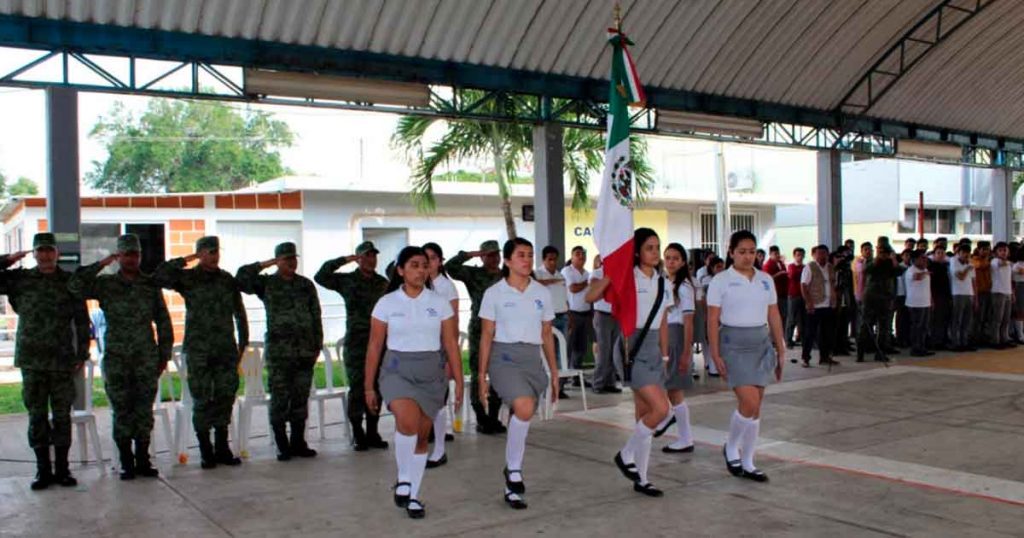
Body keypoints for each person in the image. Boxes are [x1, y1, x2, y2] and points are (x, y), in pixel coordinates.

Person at [363, 246, 463, 519]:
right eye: (414, 265)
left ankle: (414, 494)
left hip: (431, 373)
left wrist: (459, 380)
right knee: (406, 421)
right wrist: (369, 386)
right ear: (400, 271)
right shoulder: (387, 303)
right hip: (397, 370)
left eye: (424, 265)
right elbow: (374, 347)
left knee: (421, 436)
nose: (420, 270)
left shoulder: (439, 302)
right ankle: (403, 477)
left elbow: (451, 344)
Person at [68, 234, 173, 479]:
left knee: (143, 411)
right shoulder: (106, 284)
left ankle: (143, 459)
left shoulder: (150, 285)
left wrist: (163, 354)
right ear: (119, 256)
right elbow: (75, 286)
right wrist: (101, 264)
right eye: (126, 254)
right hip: (116, 358)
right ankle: (126, 460)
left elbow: (164, 321)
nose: (131, 259)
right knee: (122, 410)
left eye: (135, 254)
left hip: (145, 357)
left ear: (140, 256)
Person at [0, 234, 90, 489]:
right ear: (34, 253)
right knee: (37, 415)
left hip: (62, 359)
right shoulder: (21, 280)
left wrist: (82, 352)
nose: (46, 256)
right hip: (32, 359)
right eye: (41, 251)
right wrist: (6, 260)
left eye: (50, 250)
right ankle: (42, 471)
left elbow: (82, 320)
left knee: (62, 415)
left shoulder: (69, 281)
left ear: (57, 253)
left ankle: (62, 469)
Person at [478, 238, 558, 509]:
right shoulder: (494, 293)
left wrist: (555, 372)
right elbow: (486, 335)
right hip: (504, 357)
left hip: (532, 361)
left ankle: (511, 484)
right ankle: (514, 470)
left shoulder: (541, 293)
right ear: (508, 261)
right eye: (521, 255)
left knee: (522, 413)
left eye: (529, 255)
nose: (526, 260)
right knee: (523, 407)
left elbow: (547, 334)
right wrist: (481, 376)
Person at [591, 228, 672, 497]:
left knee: (644, 416)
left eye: (657, 247)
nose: (655, 252)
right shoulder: (626, 277)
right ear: (637, 251)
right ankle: (626, 455)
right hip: (629, 347)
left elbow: (661, 322)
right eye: (649, 247)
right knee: (661, 410)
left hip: (651, 350)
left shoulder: (663, 282)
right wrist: (611, 275)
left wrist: (664, 355)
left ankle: (643, 478)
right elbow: (590, 297)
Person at [154, 236, 247, 469]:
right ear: (200, 254)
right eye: (209, 252)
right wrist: (188, 259)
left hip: (225, 349)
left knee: (226, 395)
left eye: (216, 252)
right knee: (203, 398)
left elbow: (239, 312)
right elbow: (160, 276)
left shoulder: (227, 280)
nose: (214, 256)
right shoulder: (188, 278)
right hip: (199, 351)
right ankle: (206, 450)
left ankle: (222, 448)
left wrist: (242, 343)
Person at [707, 230, 785, 483]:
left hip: (760, 342)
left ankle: (749, 460)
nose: (747, 256)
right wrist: (715, 353)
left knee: (756, 406)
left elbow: (773, 314)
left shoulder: (765, 280)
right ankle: (731, 447)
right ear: (731, 253)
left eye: (752, 252)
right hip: (733, 343)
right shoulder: (721, 280)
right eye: (742, 252)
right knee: (748, 402)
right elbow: (712, 318)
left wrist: (781, 348)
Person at [236, 242, 322, 461]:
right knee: (280, 398)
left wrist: (316, 345)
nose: (292, 262)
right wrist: (265, 264)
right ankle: (282, 443)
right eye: (286, 259)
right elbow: (241, 278)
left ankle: (298, 442)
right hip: (280, 353)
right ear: (278, 261)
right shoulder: (267, 284)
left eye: (294, 258)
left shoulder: (305, 285)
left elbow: (315, 317)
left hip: (304, 352)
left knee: (300, 398)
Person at [316, 241, 390, 451]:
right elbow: (321, 276)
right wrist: (345, 260)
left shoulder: (381, 283)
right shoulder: (348, 280)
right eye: (366, 256)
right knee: (358, 388)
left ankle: (373, 432)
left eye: (373, 256)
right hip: (357, 344)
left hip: (379, 343)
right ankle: (358, 433)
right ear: (358, 258)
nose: (371, 260)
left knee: (376, 387)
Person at [444, 240, 506, 434]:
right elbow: (450, 267)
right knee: (478, 372)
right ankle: (481, 417)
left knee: (498, 373)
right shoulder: (474, 274)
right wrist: (470, 254)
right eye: (489, 255)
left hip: (503, 331)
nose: (494, 258)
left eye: (496, 254)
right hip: (480, 330)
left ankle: (493, 417)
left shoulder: (507, 275)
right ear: (482, 256)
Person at [656, 243, 696, 454]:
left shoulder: (684, 287)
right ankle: (684, 436)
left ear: (683, 262)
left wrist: (686, 353)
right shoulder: (665, 282)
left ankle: (681, 433)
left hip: (676, 335)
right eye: (668, 257)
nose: (670, 262)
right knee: (669, 387)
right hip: (664, 334)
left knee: (674, 389)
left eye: (675, 258)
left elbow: (689, 321)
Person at [422, 242, 458, 463]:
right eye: (424, 259)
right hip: (419, 349)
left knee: (438, 399)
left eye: (433, 258)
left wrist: (449, 357)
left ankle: (439, 449)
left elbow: (452, 324)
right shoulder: (416, 284)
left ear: (440, 261)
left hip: (440, 349)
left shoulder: (446, 286)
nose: (429, 263)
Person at [536, 246, 569, 398]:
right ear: (544, 259)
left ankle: (559, 388)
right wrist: (552, 281)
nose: (553, 262)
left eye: (555, 259)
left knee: (561, 352)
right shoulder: (538, 274)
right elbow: (535, 285)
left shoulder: (561, 275)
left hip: (562, 315)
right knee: (546, 354)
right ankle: (545, 388)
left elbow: (565, 297)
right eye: (549, 259)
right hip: (546, 318)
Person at [857, 244, 900, 362]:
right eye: (881, 253)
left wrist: (893, 258)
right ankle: (860, 353)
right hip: (871, 298)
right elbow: (866, 270)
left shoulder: (890, 264)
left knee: (884, 327)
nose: (883, 255)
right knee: (866, 325)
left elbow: (898, 271)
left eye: (885, 253)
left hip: (885, 298)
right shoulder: (873, 263)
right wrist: (877, 259)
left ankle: (880, 352)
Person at [589, 255, 624, 393]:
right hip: (602, 315)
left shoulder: (621, 273)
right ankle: (598, 383)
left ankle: (610, 383)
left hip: (616, 314)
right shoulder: (598, 272)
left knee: (614, 351)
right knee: (604, 351)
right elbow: (593, 287)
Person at [800, 245, 838, 367]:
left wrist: (834, 299)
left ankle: (825, 357)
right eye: (819, 253)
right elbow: (804, 286)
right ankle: (805, 358)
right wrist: (809, 302)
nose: (822, 256)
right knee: (810, 333)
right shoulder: (809, 267)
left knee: (827, 333)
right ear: (814, 255)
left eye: (824, 253)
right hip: (815, 305)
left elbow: (833, 284)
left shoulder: (831, 267)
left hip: (828, 305)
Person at [561, 246, 592, 378]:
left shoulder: (587, 273)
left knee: (581, 347)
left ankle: (577, 377)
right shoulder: (567, 271)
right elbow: (573, 288)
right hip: (572, 314)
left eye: (583, 254)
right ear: (572, 257)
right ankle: (564, 378)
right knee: (568, 347)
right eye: (577, 254)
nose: (581, 256)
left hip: (585, 313)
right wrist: (587, 283)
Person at [905, 251, 933, 357]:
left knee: (924, 327)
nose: (925, 260)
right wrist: (925, 273)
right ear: (915, 259)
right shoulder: (911, 270)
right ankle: (915, 348)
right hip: (915, 304)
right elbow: (917, 277)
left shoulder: (925, 270)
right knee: (917, 327)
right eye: (922, 258)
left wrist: (931, 300)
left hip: (925, 302)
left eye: (925, 258)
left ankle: (922, 347)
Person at [949, 244, 977, 352]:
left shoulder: (970, 263)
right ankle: (955, 342)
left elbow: (973, 281)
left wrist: (975, 296)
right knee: (957, 319)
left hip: (969, 293)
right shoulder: (953, 261)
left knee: (967, 320)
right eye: (963, 253)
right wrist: (967, 268)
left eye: (967, 253)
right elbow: (960, 276)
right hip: (958, 293)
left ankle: (964, 342)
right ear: (958, 253)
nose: (966, 255)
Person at [988, 242, 1015, 348]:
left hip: (1007, 292)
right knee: (997, 319)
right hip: (998, 292)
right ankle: (995, 340)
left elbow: (1009, 279)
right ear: (996, 252)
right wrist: (1009, 263)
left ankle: (1004, 338)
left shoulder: (1008, 264)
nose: (1003, 252)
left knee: (1006, 318)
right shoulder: (994, 261)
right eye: (1001, 250)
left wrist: (1012, 293)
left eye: (1005, 250)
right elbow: (1000, 264)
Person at [928, 246, 952, 350]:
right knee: (936, 320)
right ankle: (935, 341)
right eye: (938, 253)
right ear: (934, 254)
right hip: (936, 295)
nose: (941, 255)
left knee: (944, 319)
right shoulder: (931, 267)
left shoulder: (946, 266)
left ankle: (942, 340)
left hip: (945, 295)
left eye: (943, 253)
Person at [971, 241, 993, 347]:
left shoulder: (988, 260)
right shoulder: (974, 260)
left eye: (987, 249)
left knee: (986, 317)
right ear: (978, 250)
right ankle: (975, 339)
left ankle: (983, 337)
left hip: (988, 291)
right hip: (978, 292)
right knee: (978, 317)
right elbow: (980, 266)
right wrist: (988, 260)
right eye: (983, 249)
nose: (986, 251)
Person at [763, 246, 789, 331]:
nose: (777, 255)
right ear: (770, 254)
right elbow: (767, 279)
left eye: (778, 253)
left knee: (784, 316)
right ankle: (774, 338)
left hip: (783, 293)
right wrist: (779, 274)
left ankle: (782, 335)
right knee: (775, 317)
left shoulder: (781, 263)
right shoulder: (767, 265)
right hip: (775, 294)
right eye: (775, 254)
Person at [785, 248, 806, 348]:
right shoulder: (791, 266)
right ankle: (788, 340)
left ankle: (801, 338)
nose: (800, 257)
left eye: (801, 255)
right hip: (793, 295)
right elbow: (792, 275)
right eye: (798, 255)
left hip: (802, 295)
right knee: (791, 319)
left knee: (801, 319)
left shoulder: (805, 267)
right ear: (794, 256)